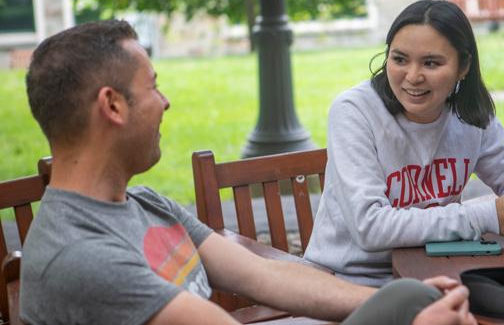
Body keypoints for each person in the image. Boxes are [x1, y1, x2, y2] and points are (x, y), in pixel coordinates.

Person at [20, 20, 476, 325]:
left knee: (414, 299)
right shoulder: (84, 258)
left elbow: (263, 276)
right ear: (113, 106)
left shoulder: (144, 204)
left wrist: (393, 304)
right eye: (153, 86)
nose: (165, 102)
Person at [304, 0, 504, 287]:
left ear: (464, 66)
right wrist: (485, 216)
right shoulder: (355, 111)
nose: (412, 76)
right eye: (399, 59)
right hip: (348, 282)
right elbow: (369, 227)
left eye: (431, 63)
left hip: (437, 274)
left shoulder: (469, 115)